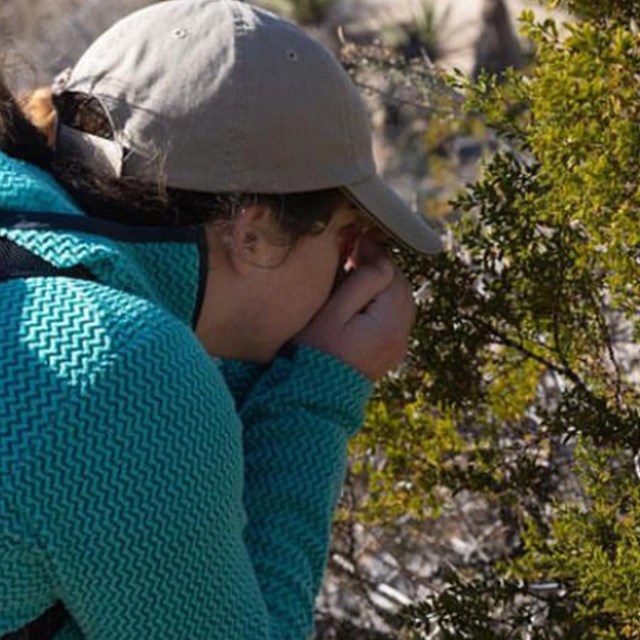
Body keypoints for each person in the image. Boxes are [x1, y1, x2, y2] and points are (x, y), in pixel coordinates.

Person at [0, 1, 442, 638]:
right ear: (255, 234)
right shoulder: (119, 370)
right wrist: (315, 400)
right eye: (349, 242)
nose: (350, 276)